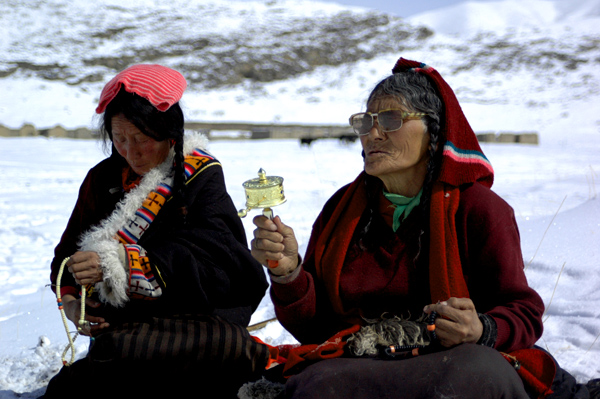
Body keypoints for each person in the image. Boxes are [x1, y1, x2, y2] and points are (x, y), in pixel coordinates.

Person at [250, 58, 592, 398]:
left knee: (476, 374)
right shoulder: (342, 212)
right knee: (317, 386)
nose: (373, 133)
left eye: (390, 119)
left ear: (434, 131)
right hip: (361, 365)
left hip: (452, 362)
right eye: (365, 121)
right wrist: (289, 273)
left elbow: (524, 313)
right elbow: (316, 331)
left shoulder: (479, 209)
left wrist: (481, 328)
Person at [44, 64, 269, 398]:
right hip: (124, 330)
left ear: (170, 133)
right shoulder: (102, 180)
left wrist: (124, 261)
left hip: (196, 325)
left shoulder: (200, 177)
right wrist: (73, 303)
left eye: (142, 139)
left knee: (227, 347)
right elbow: (65, 258)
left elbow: (223, 262)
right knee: (117, 355)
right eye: (119, 139)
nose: (131, 153)